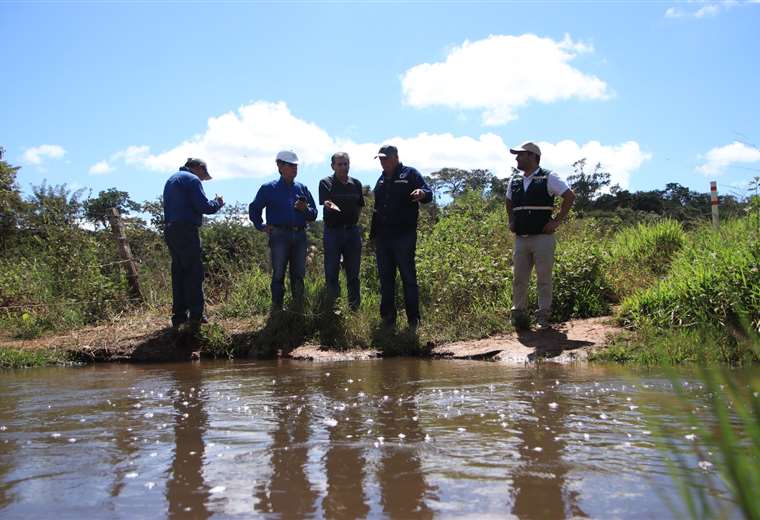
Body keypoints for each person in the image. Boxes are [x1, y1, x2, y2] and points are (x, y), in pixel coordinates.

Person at [505, 142, 576, 330]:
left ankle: (543, 316)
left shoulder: (549, 176)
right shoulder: (515, 180)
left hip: (542, 238)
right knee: (519, 278)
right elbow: (508, 200)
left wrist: (556, 221)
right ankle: (518, 316)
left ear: (532, 156)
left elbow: (569, 196)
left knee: (544, 278)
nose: (517, 158)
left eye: (520, 155)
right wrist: (511, 220)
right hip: (521, 239)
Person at [369, 145, 433, 330]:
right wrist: (373, 236)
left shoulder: (410, 174)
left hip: (404, 236)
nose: (382, 161)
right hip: (383, 238)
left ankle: (414, 321)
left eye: (385, 158)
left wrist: (422, 193)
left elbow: (428, 192)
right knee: (386, 280)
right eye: (380, 158)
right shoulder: (381, 180)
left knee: (408, 278)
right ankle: (388, 321)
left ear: (395, 157)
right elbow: (377, 208)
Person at [249, 150, 317, 312]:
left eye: (296, 165)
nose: (295, 168)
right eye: (291, 165)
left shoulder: (302, 188)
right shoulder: (268, 188)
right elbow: (254, 209)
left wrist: (305, 209)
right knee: (278, 274)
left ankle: (298, 309)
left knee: (299, 274)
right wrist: (261, 226)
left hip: (300, 235)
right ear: (280, 165)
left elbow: (313, 214)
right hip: (279, 235)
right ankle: (277, 310)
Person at [162, 158, 224, 328]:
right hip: (186, 230)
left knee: (179, 272)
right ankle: (196, 315)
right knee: (194, 272)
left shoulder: (172, 179)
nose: (203, 179)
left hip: (171, 229)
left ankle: (179, 316)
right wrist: (217, 203)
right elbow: (205, 207)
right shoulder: (192, 179)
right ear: (198, 168)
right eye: (204, 175)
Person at [319, 152, 365, 310]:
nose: (343, 167)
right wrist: (335, 208)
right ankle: (334, 309)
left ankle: (354, 310)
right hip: (333, 232)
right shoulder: (326, 183)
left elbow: (359, 206)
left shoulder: (356, 184)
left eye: (346, 164)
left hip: (352, 232)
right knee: (332, 272)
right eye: (339, 164)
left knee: (353, 274)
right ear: (333, 166)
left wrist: (352, 220)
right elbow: (326, 202)